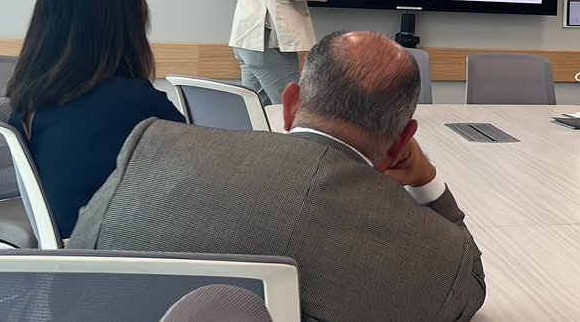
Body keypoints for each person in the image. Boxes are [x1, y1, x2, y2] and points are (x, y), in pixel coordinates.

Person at [69, 31, 486, 322]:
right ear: (402, 143)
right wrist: (427, 181)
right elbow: (470, 289)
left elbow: (75, 262)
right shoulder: (435, 258)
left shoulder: (155, 146)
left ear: (289, 106)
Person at [4, 0, 185, 239]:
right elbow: (197, 179)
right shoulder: (136, 105)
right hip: (117, 255)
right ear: (126, 27)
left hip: (71, 248)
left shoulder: (27, 100)